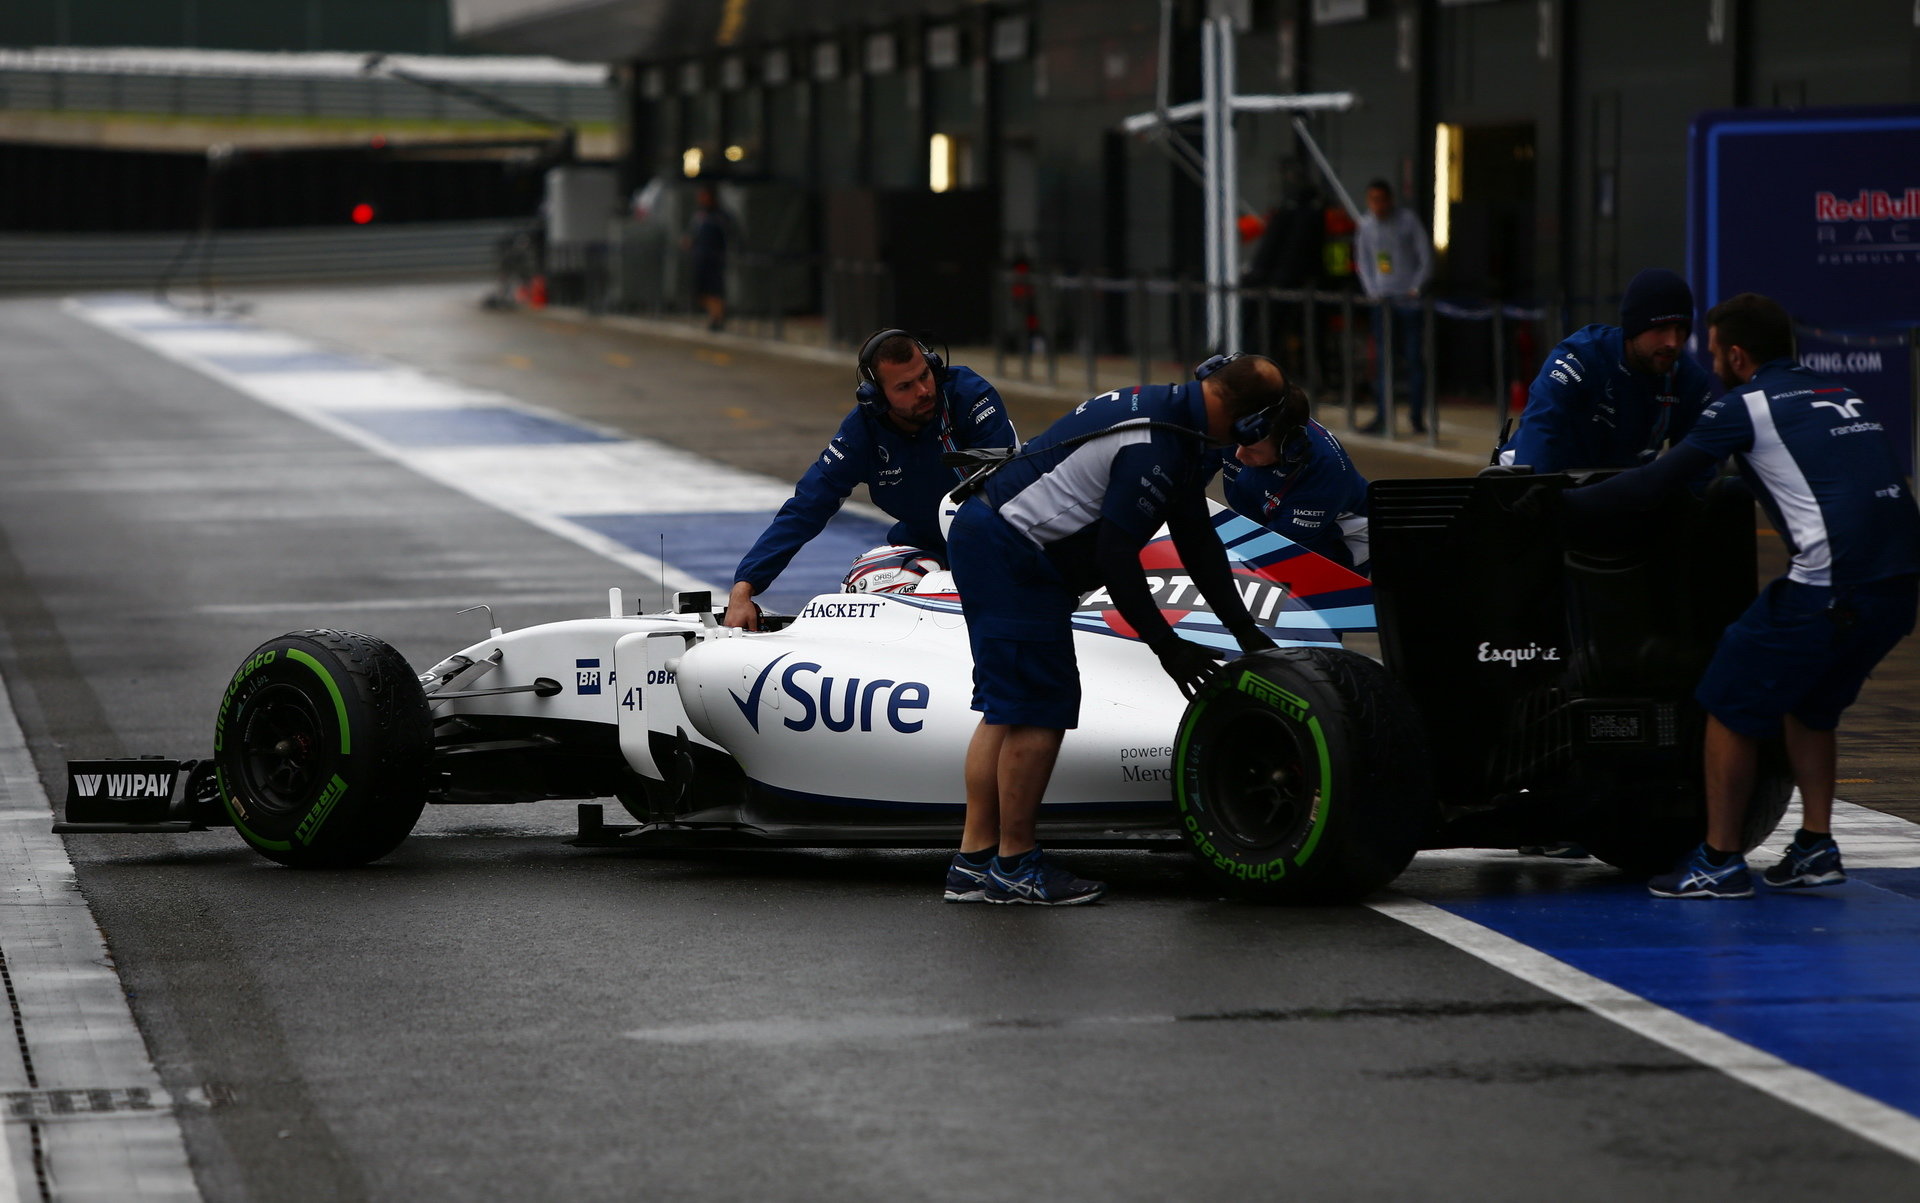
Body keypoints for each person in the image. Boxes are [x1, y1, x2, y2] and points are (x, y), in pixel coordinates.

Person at [1557, 292, 1920, 899]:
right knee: (1810, 705)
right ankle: (1815, 846)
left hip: (1833, 585)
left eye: (1714, 350)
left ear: (1737, 355)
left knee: (1726, 696)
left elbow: (1656, 483)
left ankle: (1720, 859)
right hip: (1902, 587)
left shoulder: (1746, 406)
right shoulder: (1842, 395)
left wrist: (1559, 506)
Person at [942, 353, 1290, 905]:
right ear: (1246, 420)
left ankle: (975, 860)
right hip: (1010, 551)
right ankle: (1014, 866)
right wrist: (1167, 648)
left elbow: (1196, 539)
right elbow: (1117, 559)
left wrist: (1246, 632)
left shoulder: (1175, 419)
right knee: (1040, 706)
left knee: (1006, 707)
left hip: (992, 535)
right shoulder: (1155, 445)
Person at [724, 330, 1016, 629]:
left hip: (1005, 537)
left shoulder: (968, 395)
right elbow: (806, 506)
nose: (924, 391)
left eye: (925, 375)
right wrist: (744, 588)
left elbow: (1003, 490)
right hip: (927, 543)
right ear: (876, 398)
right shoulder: (860, 433)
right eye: (904, 386)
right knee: (876, 579)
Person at [1498, 268, 1716, 472]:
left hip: (1611, 490)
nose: (1672, 341)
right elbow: (1541, 431)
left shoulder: (1689, 380)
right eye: (1661, 329)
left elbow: (1697, 469)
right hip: (1533, 475)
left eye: (1680, 330)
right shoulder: (1581, 357)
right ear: (1634, 328)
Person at [1211, 383, 1370, 575]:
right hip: (1267, 521)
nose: (1238, 454)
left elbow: (1271, 554)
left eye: (1252, 450)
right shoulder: (1245, 431)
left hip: (1335, 552)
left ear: (1289, 449)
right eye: (1238, 443)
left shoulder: (1323, 479)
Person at [1353, 179, 1432, 434]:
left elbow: (1425, 256)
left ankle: (1417, 415)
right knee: (1383, 360)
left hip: (1408, 299)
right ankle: (1383, 414)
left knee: (1413, 358)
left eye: (1380, 199)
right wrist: (1372, 291)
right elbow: (1363, 261)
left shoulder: (1407, 221)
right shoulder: (1366, 226)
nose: (1377, 205)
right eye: (1372, 200)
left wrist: (1416, 287)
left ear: (1390, 199)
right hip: (1382, 299)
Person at [685, 186, 732, 332]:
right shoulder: (699, 216)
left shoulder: (719, 216)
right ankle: (714, 316)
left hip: (715, 259)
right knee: (701, 292)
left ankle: (717, 318)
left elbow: (730, 235)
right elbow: (693, 235)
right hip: (700, 258)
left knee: (715, 291)